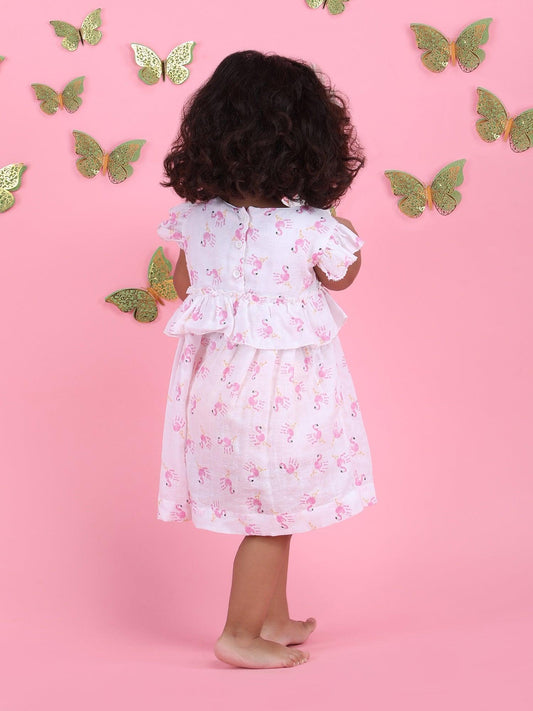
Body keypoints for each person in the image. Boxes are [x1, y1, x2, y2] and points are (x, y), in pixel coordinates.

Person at [156, 50, 377, 669]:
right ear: (311, 144)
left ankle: (274, 619)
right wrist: (337, 228)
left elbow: (185, 285)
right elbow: (343, 276)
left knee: (273, 508)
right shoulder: (309, 227)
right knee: (273, 517)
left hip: (216, 392)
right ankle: (240, 634)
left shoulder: (199, 219)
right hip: (280, 397)